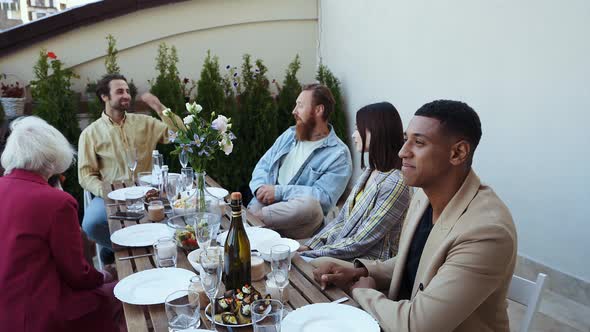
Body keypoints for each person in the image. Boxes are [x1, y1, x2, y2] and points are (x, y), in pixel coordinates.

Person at [313, 100, 517, 332]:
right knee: (317, 270)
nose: (402, 152)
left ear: (458, 152)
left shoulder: (487, 232)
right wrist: (360, 271)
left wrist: (361, 290)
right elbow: (414, 263)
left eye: (418, 142)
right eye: (405, 139)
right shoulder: (423, 196)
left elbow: (417, 326)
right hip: (402, 313)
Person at [0, 116, 124, 331]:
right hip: (38, 314)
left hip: (7, 308)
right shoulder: (56, 202)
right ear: (52, 159)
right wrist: (105, 274)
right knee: (125, 294)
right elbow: (78, 275)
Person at [78, 73, 182, 263]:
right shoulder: (90, 133)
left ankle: (137, 254)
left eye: (127, 91)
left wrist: (159, 107)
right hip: (112, 196)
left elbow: (180, 135)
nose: (126, 95)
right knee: (91, 224)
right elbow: (86, 175)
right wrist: (108, 192)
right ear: (105, 97)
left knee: (179, 219)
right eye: (119, 91)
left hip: (149, 193)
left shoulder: (145, 122)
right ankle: (125, 251)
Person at [299, 102, 410, 261]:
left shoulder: (395, 183)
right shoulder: (370, 172)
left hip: (366, 264)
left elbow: (362, 241)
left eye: (358, 128)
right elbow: (341, 221)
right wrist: (310, 246)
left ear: (376, 131)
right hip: (341, 252)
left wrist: (310, 255)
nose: (353, 134)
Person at [248, 83, 352, 239]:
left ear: (318, 110)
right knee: (258, 205)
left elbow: (324, 198)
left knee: (311, 206)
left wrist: (278, 192)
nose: (294, 111)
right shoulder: (289, 135)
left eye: (300, 106)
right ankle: (256, 225)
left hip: (298, 223)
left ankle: (250, 222)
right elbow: (263, 165)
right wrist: (260, 189)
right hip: (266, 206)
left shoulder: (338, 154)